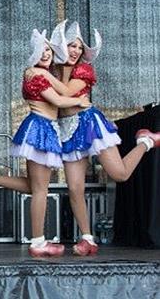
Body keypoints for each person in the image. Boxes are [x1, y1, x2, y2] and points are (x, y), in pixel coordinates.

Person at [48, 21, 160, 255]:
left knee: (119, 174)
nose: (76, 51)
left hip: (89, 124)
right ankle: (88, 238)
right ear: (61, 47)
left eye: (79, 47)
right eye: (71, 46)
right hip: (68, 130)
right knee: (75, 188)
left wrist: (42, 77)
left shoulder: (83, 70)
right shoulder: (52, 72)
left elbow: (67, 93)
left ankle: (147, 141)